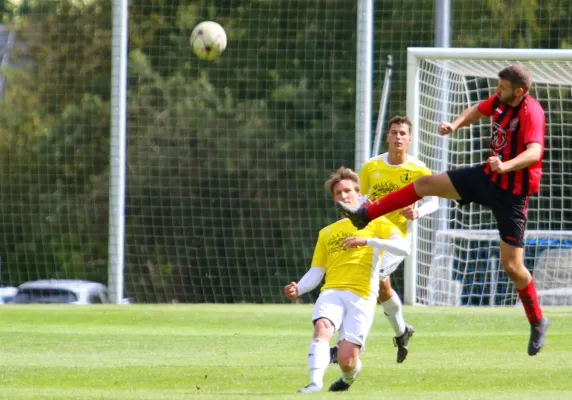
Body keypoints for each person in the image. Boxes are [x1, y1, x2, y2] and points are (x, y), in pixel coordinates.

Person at [336, 64, 549, 356]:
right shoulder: (500, 100)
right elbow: (477, 110)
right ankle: (365, 214)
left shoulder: (531, 112)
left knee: (513, 267)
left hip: (512, 195)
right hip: (486, 177)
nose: (497, 91)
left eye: (502, 87)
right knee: (424, 184)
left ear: (520, 91)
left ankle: (537, 320)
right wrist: (456, 124)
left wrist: (507, 165)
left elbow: (535, 152)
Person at [284, 167, 410, 393]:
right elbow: (316, 271)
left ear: (359, 194)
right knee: (322, 327)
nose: (344, 195)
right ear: (335, 200)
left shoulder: (377, 224)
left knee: (346, 359)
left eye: (348, 191)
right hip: (331, 292)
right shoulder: (327, 232)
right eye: (339, 192)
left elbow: (404, 248)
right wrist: (299, 288)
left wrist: (368, 242)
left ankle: (350, 374)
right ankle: (315, 383)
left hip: (362, 297)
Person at [329, 116, 438, 365]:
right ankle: (402, 332)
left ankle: (346, 344)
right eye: (394, 132)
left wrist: (418, 212)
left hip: (395, 240)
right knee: (382, 288)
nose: (398, 136)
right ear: (388, 137)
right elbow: (359, 197)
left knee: (365, 281)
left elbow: (434, 201)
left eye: (402, 133)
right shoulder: (371, 166)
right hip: (369, 235)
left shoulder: (419, 169)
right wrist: (362, 204)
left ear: (409, 139)